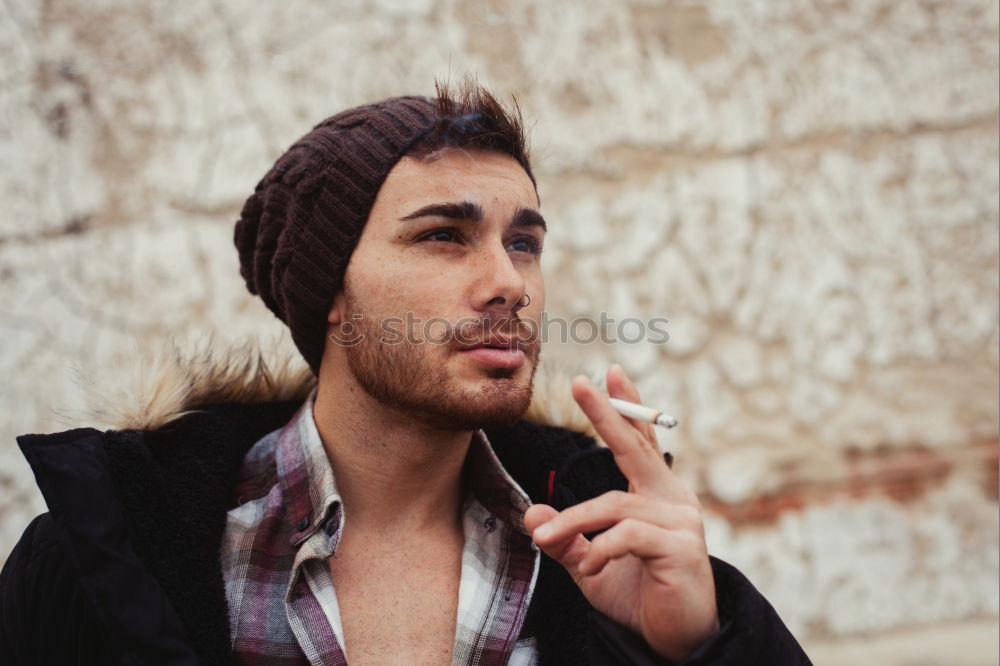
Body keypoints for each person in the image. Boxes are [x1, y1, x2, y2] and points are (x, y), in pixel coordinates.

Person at [0, 81, 812, 665]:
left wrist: (700, 646)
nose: (509, 283)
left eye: (523, 242)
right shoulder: (110, 553)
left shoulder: (600, 544)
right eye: (442, 236)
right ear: (333, 297)